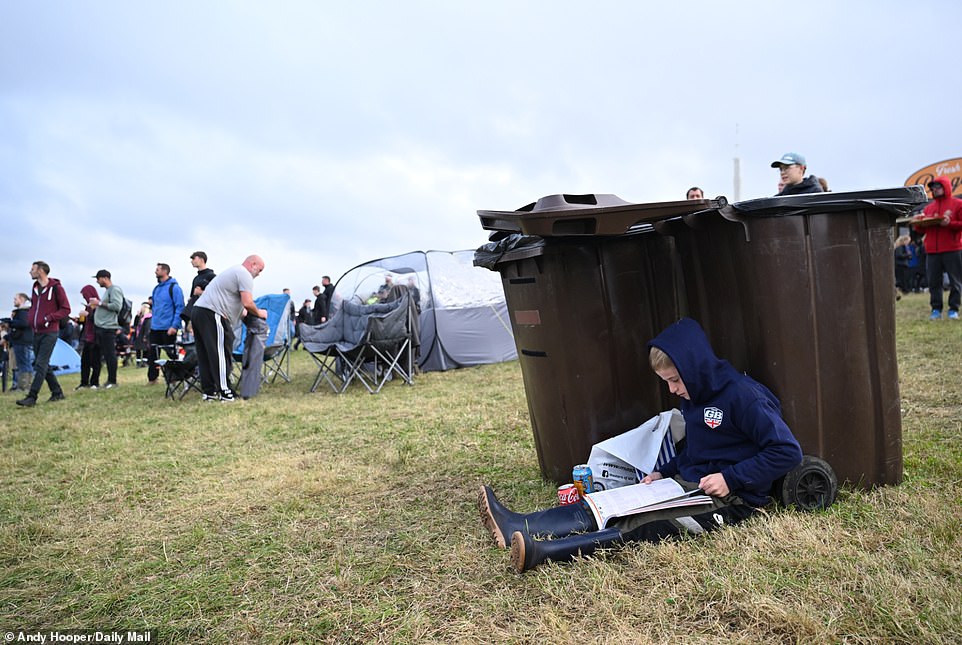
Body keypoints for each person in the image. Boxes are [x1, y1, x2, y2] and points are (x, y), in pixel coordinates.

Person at [478, 317, 803, 573]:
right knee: (608, 503)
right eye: (667, 382)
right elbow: (698, 449)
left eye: (676, 380)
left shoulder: (744, 397)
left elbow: (787, 451)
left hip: (732, 498)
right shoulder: (694, 396)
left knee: (644, 525)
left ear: (696, 367)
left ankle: (542, 553)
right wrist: (665, 471)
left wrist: (730, 478)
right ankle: (516, 525)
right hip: (684, 484)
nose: (673, 389)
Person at [191, 255, 267, 402]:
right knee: (220, 353)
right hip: (213, 313)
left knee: (205, 355)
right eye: (260, 269)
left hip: (199, 311)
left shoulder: (234, 272)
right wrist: (260, 313)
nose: (259, 273)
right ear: (253, 264)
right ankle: (225, 392)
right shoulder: (244, 274)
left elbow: (242, 309)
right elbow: (248, 303)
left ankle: (209, 392)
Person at [16, 261, 71, 407]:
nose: (30, 272)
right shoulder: (34, 289)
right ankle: (57, 392)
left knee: (40, 364)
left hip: (50, 332)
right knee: (41, 364)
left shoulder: (57, 288)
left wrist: (49, 318)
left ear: (40, 271)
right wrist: (30, 319)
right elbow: (34, 308)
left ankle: (32, 397)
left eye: (32, 269)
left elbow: (66, 309)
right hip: (36, 331)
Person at [912, 176, 962, 320]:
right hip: (932, 250)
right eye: (933, 187)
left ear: (946, 187)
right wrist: (917, 224)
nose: (935, 189)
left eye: (938, 186)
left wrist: (950, 223)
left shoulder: (958, 204)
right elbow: (922, 230)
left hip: (953, 248)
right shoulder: (928, 208)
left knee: (955, 281)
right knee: (934, 281)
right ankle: (936, 309)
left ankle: (953, 309)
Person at [146, 263, 185, 384]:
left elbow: (180, 307)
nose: (155, 272)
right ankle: (152, 378)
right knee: (152, 354)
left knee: (172, 355)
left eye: (157, 270)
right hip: (155, 327)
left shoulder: (175, 288)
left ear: (165, 271)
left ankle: (175, 377)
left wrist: (174, 326)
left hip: (168, 327)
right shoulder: (156, 289)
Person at [90, 269, 125, 388]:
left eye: (98, 279)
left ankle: (112, 381)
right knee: (102, 354)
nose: (97, 281)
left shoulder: (114, 289)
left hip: (108, 327)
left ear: (105, 278)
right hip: (101, 326)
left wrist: (99, 303)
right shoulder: (107, 291)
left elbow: (116, 306)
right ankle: (105, 380)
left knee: (110, 354)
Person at [8, 293, 34, 391]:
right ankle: (27, 385)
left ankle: (24, 386)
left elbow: (24, 323)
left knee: (23, 364)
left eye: (15, 299)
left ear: (22, 299)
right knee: (26, 364)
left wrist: (10, 323)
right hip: (24, 340)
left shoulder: (23, 312)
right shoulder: (27, 311)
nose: (14, 301)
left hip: (22, 341)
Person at [76, 285, 101, 390]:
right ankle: (84, 382)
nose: (84, 298)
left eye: (85, 295)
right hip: (86, 337)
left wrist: (88, 315)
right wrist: (79, 320)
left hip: (96, 337)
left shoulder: (98, 306)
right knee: (84, 361)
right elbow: (87, 321)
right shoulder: (88, 306)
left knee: (95, 361)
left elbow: (99, 320)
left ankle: (95, 382)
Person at [181, 251, 216, 323]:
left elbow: (216, 294)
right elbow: (192, 295)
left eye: (194, 258)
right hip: (195, 313)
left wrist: (201, 292)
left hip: (207, 313)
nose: (192, 261)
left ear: (201, 260)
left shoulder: (212, 276)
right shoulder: (196, 278)